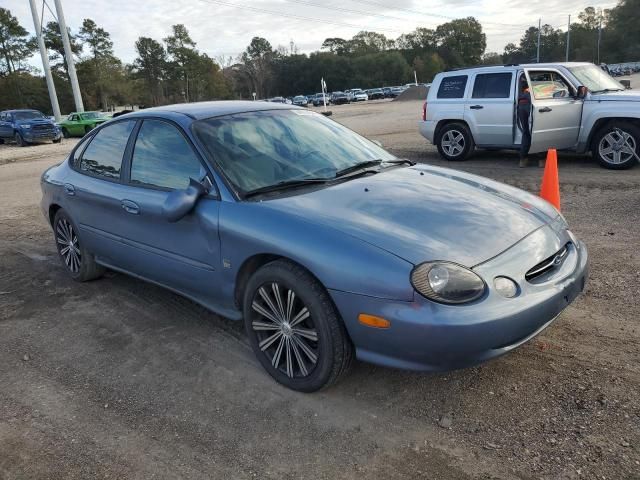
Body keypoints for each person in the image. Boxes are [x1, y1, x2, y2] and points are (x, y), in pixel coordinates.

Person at [517, 79, 532, 167]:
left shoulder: (520, 78)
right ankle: (542, 158)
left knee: (526, 132)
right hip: (531, 103)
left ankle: (523, 159)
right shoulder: (536, 76)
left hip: (521, 104)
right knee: (537, 132)